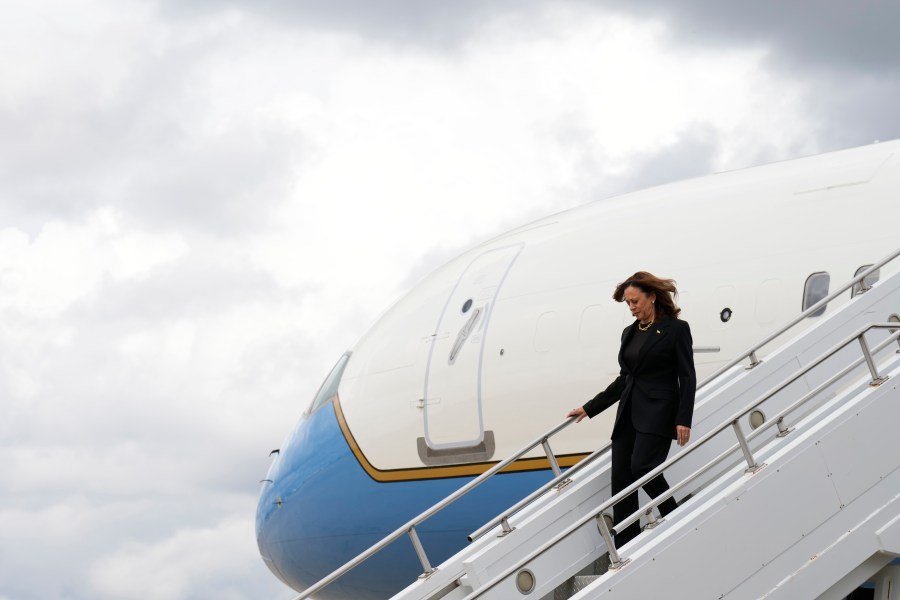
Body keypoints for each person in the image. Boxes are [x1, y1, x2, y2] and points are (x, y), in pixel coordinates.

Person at [567, 271, 696, 548]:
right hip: (628, 413)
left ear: (652, 297)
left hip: (659, 412)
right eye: (627, 303)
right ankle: (627, 542)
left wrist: (683, 418)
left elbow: (687, 376)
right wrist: (589, 408)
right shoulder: (629, 333)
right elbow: (625, 379)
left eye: (635, 301)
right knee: (622, 481)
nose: (631, 307)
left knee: (643, 467)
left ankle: (675, 513)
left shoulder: (676, 329)